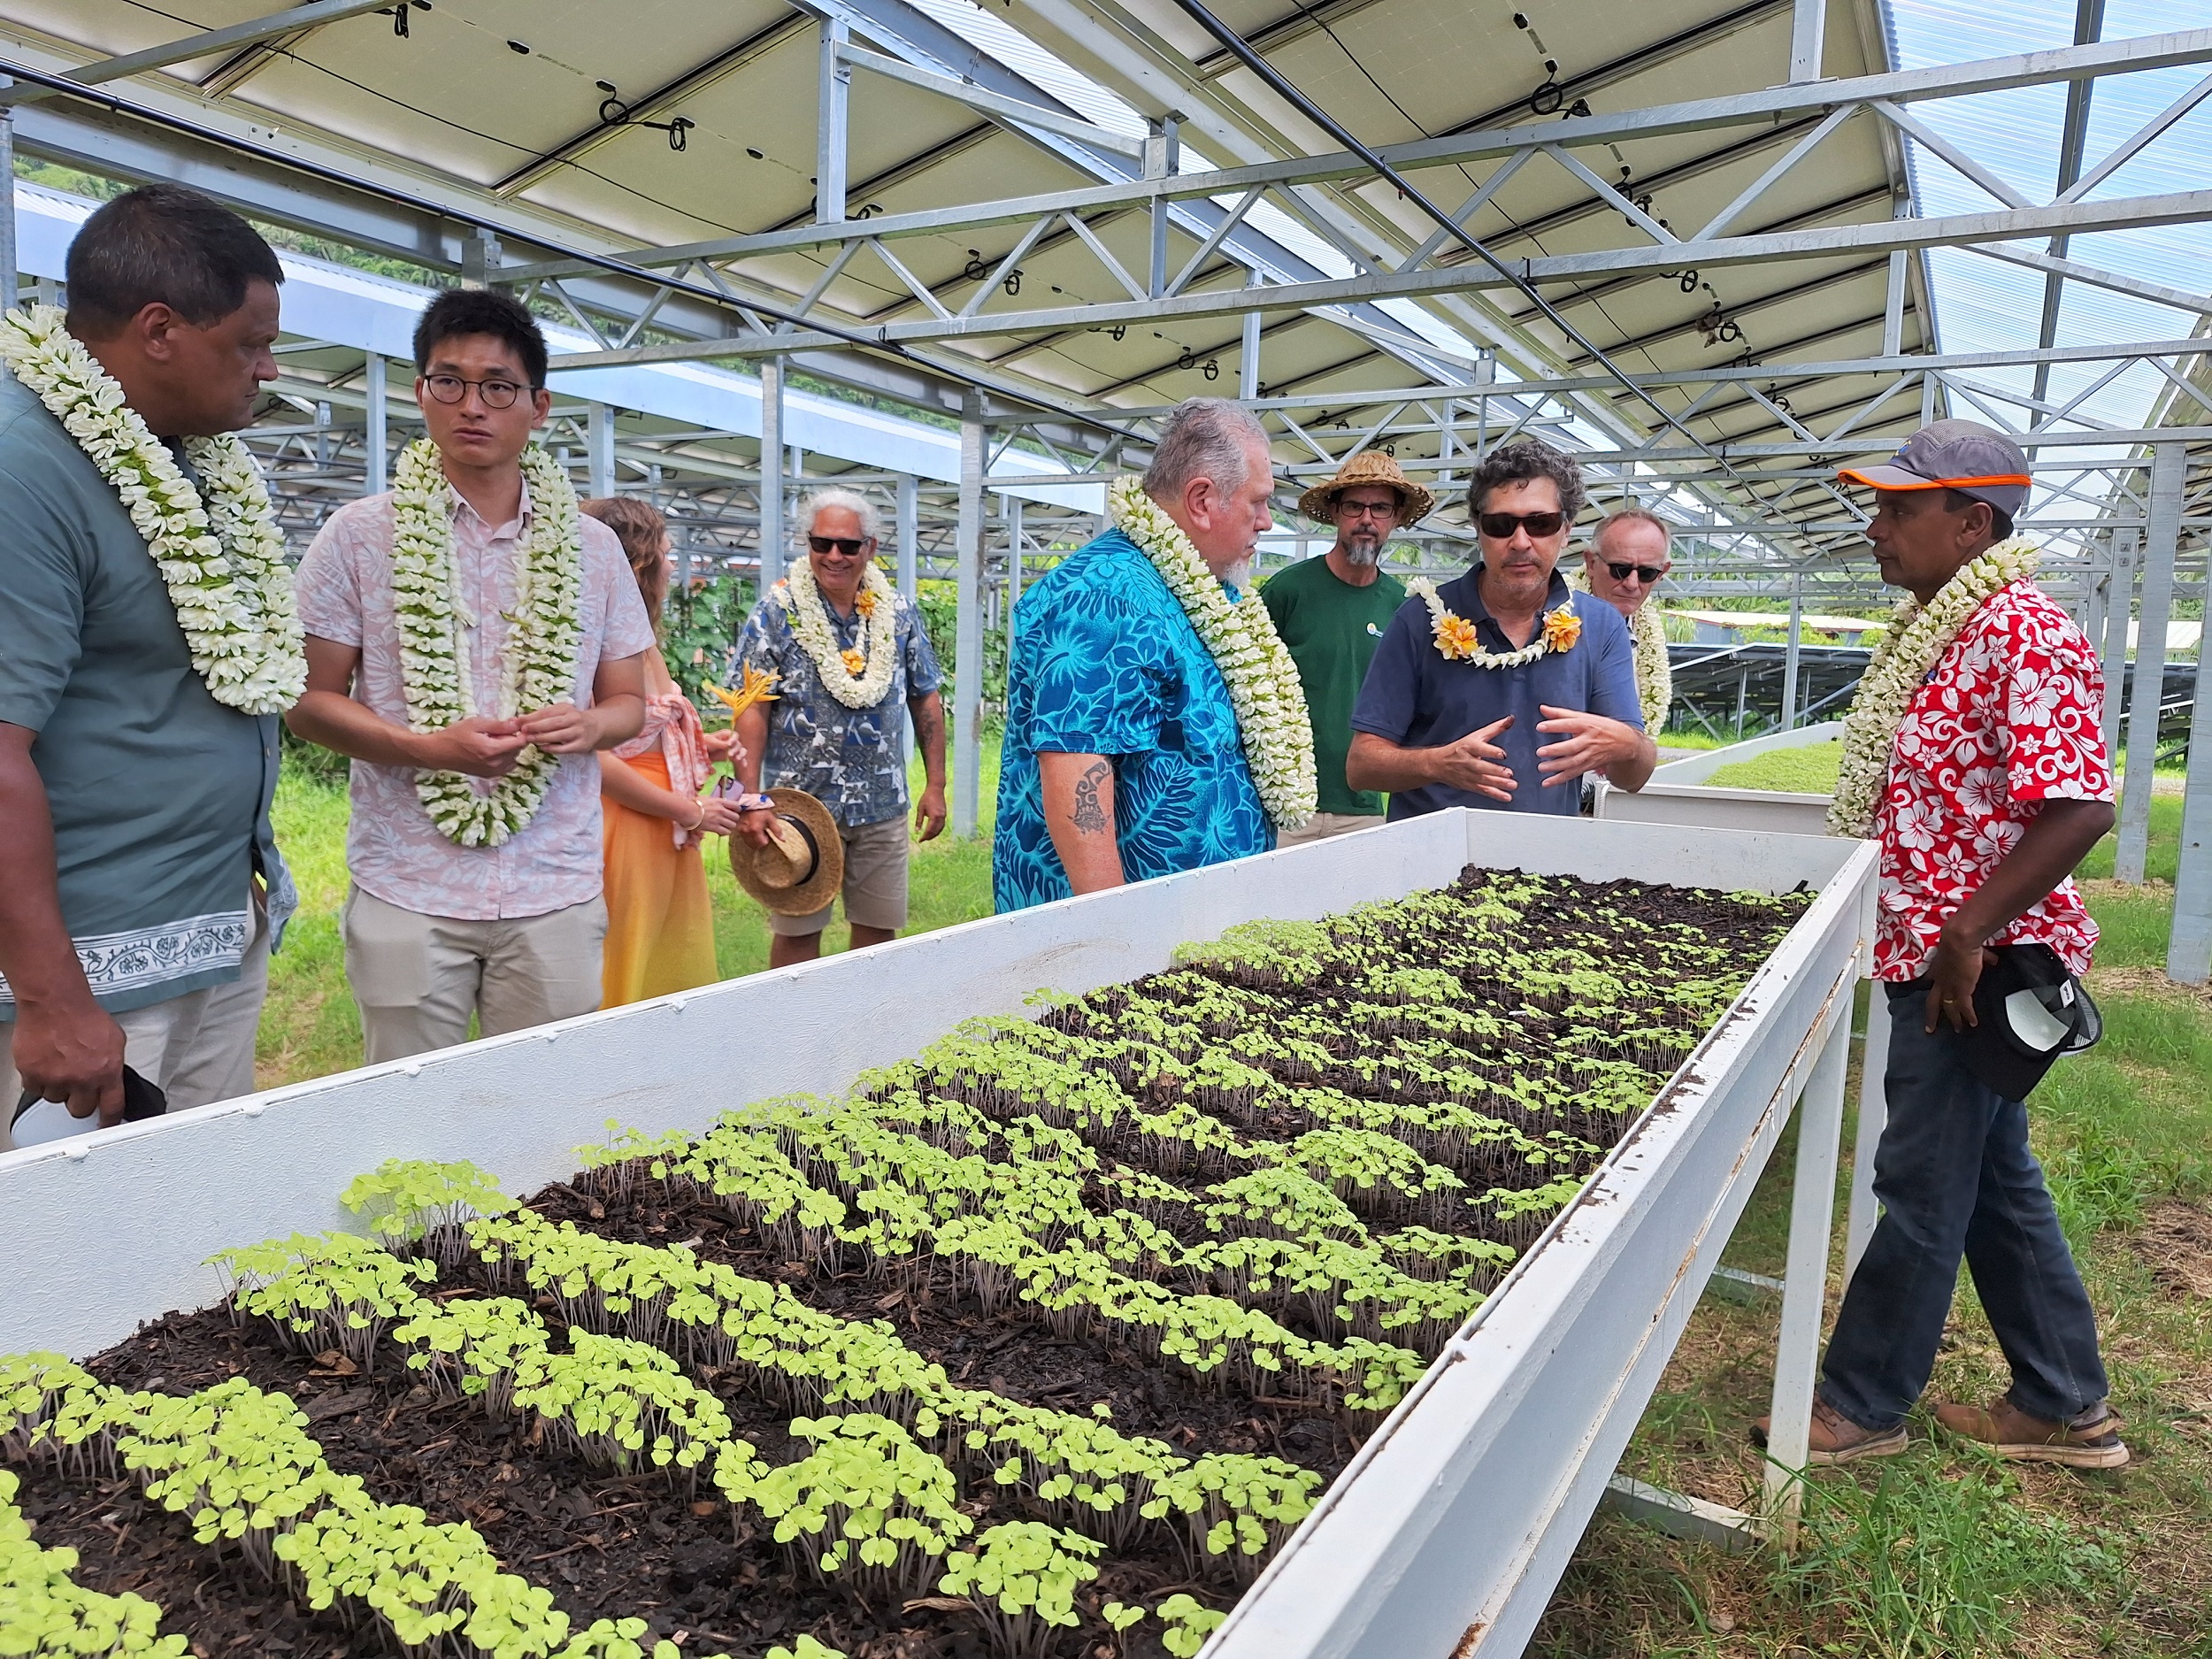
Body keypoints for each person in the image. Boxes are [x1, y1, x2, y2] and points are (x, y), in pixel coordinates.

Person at [1755, 419, 2127, 1468]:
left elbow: (2078, 809)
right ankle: (2064, 1404)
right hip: (1930, 947)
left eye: (1898, 511)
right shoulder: (1941, 628)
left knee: (1921, 1181)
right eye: (1877, 508)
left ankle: (1861, 1405)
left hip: (1970, 968)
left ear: (1973, 524)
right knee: (1991, 1177)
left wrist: (1967, 934)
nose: (1875, 530)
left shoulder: (2022, 630)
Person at [0, 184, 298, 1148]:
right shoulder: (24, 465)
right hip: (91, 970)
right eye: (249, 343)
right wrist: (51, 1002)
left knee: (193, 1252)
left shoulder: (183, 456)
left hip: (207, 923)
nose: (269, 366)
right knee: (63, 1274)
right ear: (160, 328)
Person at [288, 289, 651, 1063]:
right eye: (447, 381)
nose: (471, 406)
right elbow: (309, 703)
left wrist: (589, 726)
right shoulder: (357, 537)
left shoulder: (592, 549)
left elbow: (629, 703)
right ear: (421, 392)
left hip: (555, 881)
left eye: (498, 386)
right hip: (408, 885)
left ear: (538, 405)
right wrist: (427, 749)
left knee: (547, 1119)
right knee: (406, 1115)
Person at [994, 398, 1316, 911]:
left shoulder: (1212, 589)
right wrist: (1115, 940)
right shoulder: (1102, 598)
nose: (1268, 522)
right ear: (1202, 500)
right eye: (1258, 502)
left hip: (1199, 922)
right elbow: (1078, 776)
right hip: (1129, 950)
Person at [1346, 437, 1654, 816]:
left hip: (1548, 865)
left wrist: (1630, 745)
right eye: (1501, 524)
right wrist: (1438, 763)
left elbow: (1633, 777)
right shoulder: (1421, 618)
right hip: (1432, 864)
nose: (1520, 542)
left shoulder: (1600, 625)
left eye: (1541, 523)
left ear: (1566, 530)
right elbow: (1361, 766)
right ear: (1478, 528)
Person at [730, 488, 947, 968]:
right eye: (821, 543)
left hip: (881, 803)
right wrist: (749, 796)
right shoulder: (776, 612)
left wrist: (936, 784)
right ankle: (793, 1034)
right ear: (807, 544)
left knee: (876, 934)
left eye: (848, 546)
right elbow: (752, 706)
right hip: (801, 807)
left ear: (870, 548)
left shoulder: (899, 613)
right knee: (798, 930)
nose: (834, 555)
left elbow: (925, 698)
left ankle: (866, 1036)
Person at [582, 496, 744, 1006]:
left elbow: (643, 736)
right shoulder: (590, 642)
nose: (674, 567)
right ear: (636, 564)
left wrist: (702, 746)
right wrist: (691, 809)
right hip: (628, 827)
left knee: (668, 964)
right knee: (625, 970)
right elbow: (598, 760)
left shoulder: (639, 639)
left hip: (665, 827)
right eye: (667, 554)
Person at [1262, 451, 1425, 845]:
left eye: (1381, 508)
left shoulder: (1403, 607)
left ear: (1397, 518)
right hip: (1286, 805)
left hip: (1365, 808)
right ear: (1335, 512)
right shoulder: (1288, 592)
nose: (1366, 519)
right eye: (1354, 505)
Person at [1578, 507, 1674, 735]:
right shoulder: (1551, 619)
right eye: (1620, 570)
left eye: (1647, 573)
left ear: (1662, 573)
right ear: (1591, 563)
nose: (1632, 583)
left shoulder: (1647, 633)